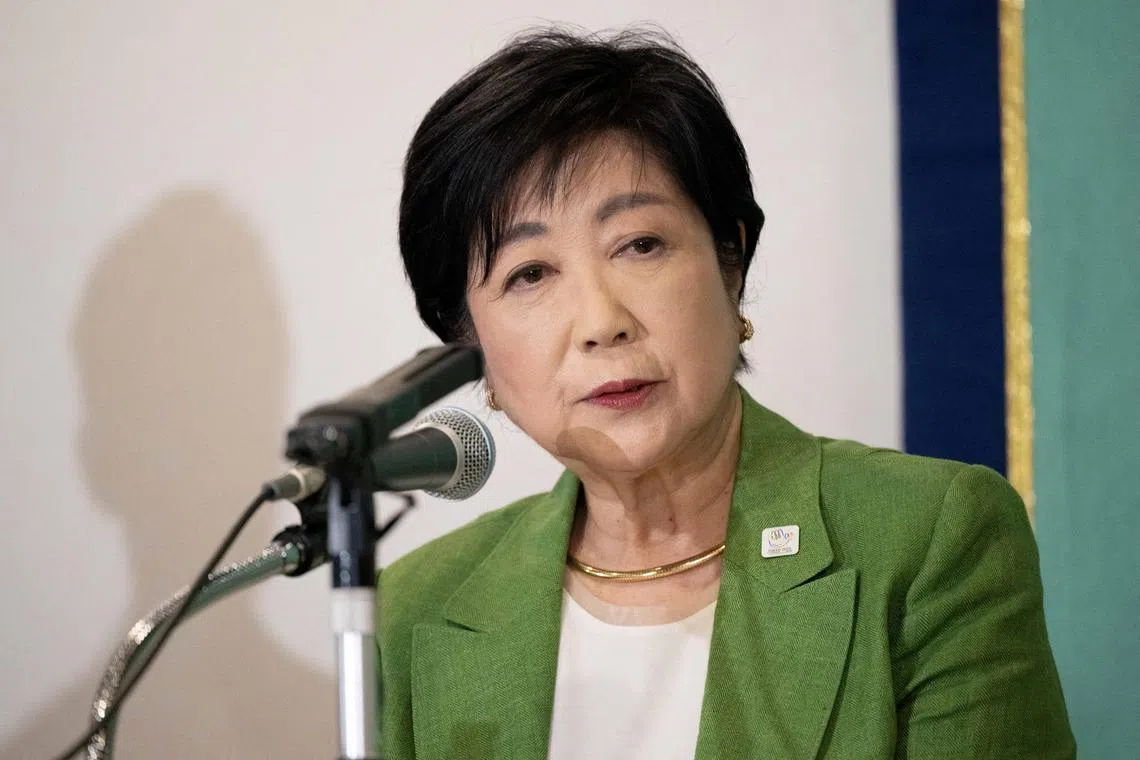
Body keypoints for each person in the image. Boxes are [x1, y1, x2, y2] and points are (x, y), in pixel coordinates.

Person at [377, 28, 1075, 760]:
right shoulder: (410, 609)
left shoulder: (931, 540)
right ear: (470, 347)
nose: (602, 322)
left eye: (639, 245)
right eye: (529, 274)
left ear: (729, 262)